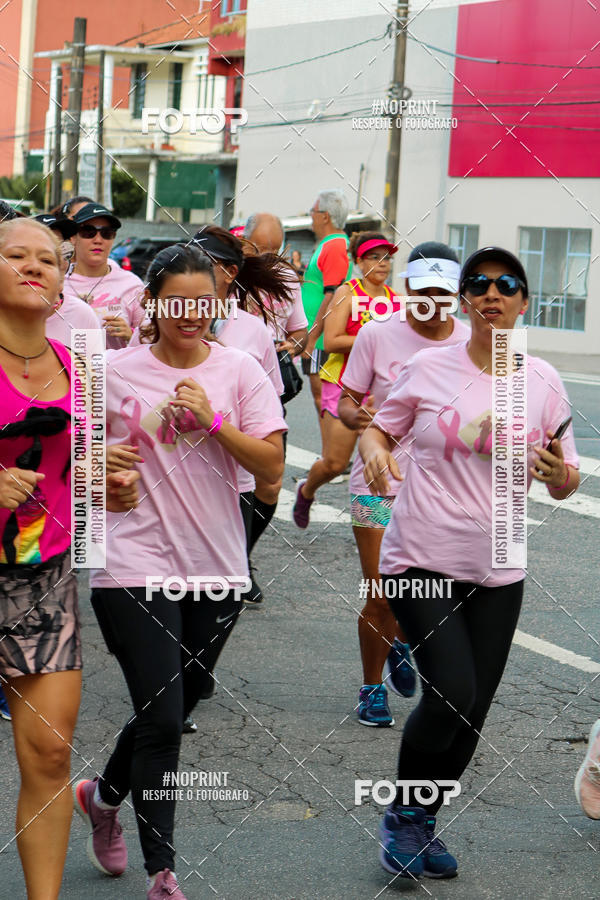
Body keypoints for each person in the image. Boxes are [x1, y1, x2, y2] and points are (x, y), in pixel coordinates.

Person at [359, 246, 580, 880]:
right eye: (478, 283)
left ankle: (421, 820)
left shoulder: (542, 380)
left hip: (500, 561)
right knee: (452, 693)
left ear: (523, 302)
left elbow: (564, 478)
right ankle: (402, 816)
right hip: (421, 554)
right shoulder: (430, 366)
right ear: (464, 300)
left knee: (473, 709)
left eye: (506, 284)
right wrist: (375, 453)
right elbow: (381, 429)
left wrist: (558, 475)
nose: (492, 292)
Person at [73, 244, 286, 900]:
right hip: (128, 562)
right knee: (164, 718)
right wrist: (98, 468)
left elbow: (272, 469)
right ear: (153, 305)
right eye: (177, 302)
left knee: (177, 700)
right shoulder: (108, 371)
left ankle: (103, 796)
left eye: (204, 301)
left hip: (215, 566)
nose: (191, 314)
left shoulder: (241, 370)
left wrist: (213, 422)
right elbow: (73, 458)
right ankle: (162, 871)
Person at [0, 217, 138, 900]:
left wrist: (113, 485)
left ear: (63, 284)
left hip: (42, 584)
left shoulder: (81, 371)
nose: (34, 265)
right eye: (15, 254)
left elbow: (83, 481)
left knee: (51, 755)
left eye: (48, 260)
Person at [338, 241, 471, 727]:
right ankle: (372, 688)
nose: (431, 302)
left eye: (442, 292)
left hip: (441, 487)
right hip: (375, 482)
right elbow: (346, 402)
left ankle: (404, 639)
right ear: (407, 287)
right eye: (422, 291)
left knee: (426, 590)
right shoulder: (377, 334)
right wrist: (364, 420)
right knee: (379, 589)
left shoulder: (469, 342)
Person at [193, 224, 296, 607]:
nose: (194, 266)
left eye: (204, 261)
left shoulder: (254, 330)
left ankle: (240, 559)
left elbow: (272, 393)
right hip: (184, 435)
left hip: (241, 437)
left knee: (265, 487)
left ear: (229, 272)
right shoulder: (169, 317)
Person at [293, 232, 400, 528]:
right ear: (358, 261)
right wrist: (373, 338)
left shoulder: (396, 300)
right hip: (342, 385)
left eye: (387, 257)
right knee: (335, 463)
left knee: (377, 461)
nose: (382, 264)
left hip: (378, 391)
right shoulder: (346, 293)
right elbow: (331, 341)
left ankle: (373, 531)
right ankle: (306, 489)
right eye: (374, 257)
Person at [61, 202, 145, 349]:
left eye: (106, 233)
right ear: (73, 238)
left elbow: (152, 341)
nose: (98, 240)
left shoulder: (132, 284)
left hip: (117, 371)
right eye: (88, 231)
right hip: (65, 370)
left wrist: (131, 335)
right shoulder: (57, 282)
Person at [300, 189, 352, 420]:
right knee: (320, 396)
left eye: (312, 211)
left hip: (320, 338)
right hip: (316, 335)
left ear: (325, 216)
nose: (310, 215)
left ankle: (331, 453)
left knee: (324, 397)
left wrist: (311, 339)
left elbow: (331, 295)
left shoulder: (335, 246)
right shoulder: (328, 244)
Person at [33, 214, 100, 345]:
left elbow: (94, 365)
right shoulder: (7, 315)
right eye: (45, 255)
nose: (60, 262)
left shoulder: (83, 315)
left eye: (64, 251)